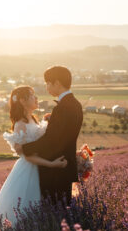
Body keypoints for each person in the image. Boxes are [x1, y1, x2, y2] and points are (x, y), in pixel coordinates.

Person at [0, 85, 67, 231]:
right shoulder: (20, 125)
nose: (36, 98)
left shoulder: (33, 120)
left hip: (40, 168)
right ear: (22, 101)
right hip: (29, 170)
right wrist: (51, 164)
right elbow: (28, 156)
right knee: (25, 207)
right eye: (32, 96)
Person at [15, 65, 83, 205]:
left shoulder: (62, 108)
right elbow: (63, 133)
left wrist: (25, 148)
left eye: (48, 83)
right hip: (65, 167)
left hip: (56, 170)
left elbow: (51, 140)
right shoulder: (75, 104)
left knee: (55, 211)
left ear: (57, 83)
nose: (46, 87)